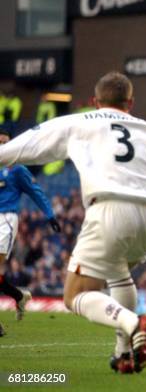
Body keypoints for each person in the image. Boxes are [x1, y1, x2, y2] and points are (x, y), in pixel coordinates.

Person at [0, 71, 146, 372]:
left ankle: (134, 323)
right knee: (119, 273)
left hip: (110, 209)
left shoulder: (79, 122)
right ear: (130, 103)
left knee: (75, 295)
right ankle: (123, 353)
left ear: (95, 102)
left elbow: (25, 147)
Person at [0, 128, 60, 333]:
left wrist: (50, 214)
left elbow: (36, 192)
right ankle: (18, 296)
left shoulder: (16, 169)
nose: (2, 147)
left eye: (5, 143)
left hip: (6, 220)